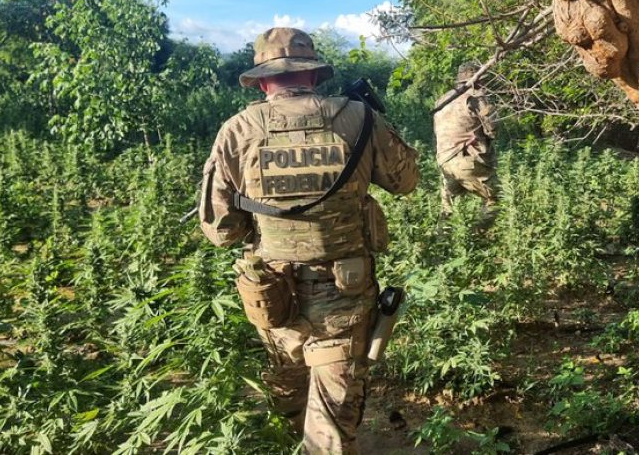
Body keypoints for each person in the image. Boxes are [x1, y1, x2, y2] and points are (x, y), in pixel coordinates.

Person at [198, 27, 419, 454]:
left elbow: (222, 231)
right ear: (314, 74)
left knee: (288, 398)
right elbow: (406, 181)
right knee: (330, 428)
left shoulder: (237, 130)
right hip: (345, 295)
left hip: (272, 295)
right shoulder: (359, 118)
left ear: (262, 81)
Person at [433, 62, 498, 227]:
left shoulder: (442, 100)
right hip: (468, 160)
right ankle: (478, 236)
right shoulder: (476, 96)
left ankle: (442, 239)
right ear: (477, 79)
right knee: (497, 199)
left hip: (444, 161)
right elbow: (492, 130)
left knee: (448, 209)